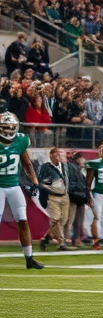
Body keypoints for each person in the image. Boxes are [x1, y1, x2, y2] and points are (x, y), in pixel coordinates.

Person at [0, 113, 44, 268]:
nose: (9, 130)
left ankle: (29, 258)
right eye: (6, 127)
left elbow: (27, 163)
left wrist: (34, 181)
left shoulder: (20, 140)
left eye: (11, 127)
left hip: (13, 186)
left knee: (23, 220)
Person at [38, 148, 72, 251]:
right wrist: (51, 187)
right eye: (57, 155)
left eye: (60, 155)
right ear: (51, 156)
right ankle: (62, 243)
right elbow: (42, 182)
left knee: (63, 220)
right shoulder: (46, 167)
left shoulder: (65, 166)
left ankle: (46, 237)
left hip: (65, 196)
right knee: (55, 219)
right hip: (53, 196)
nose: (59, 157)